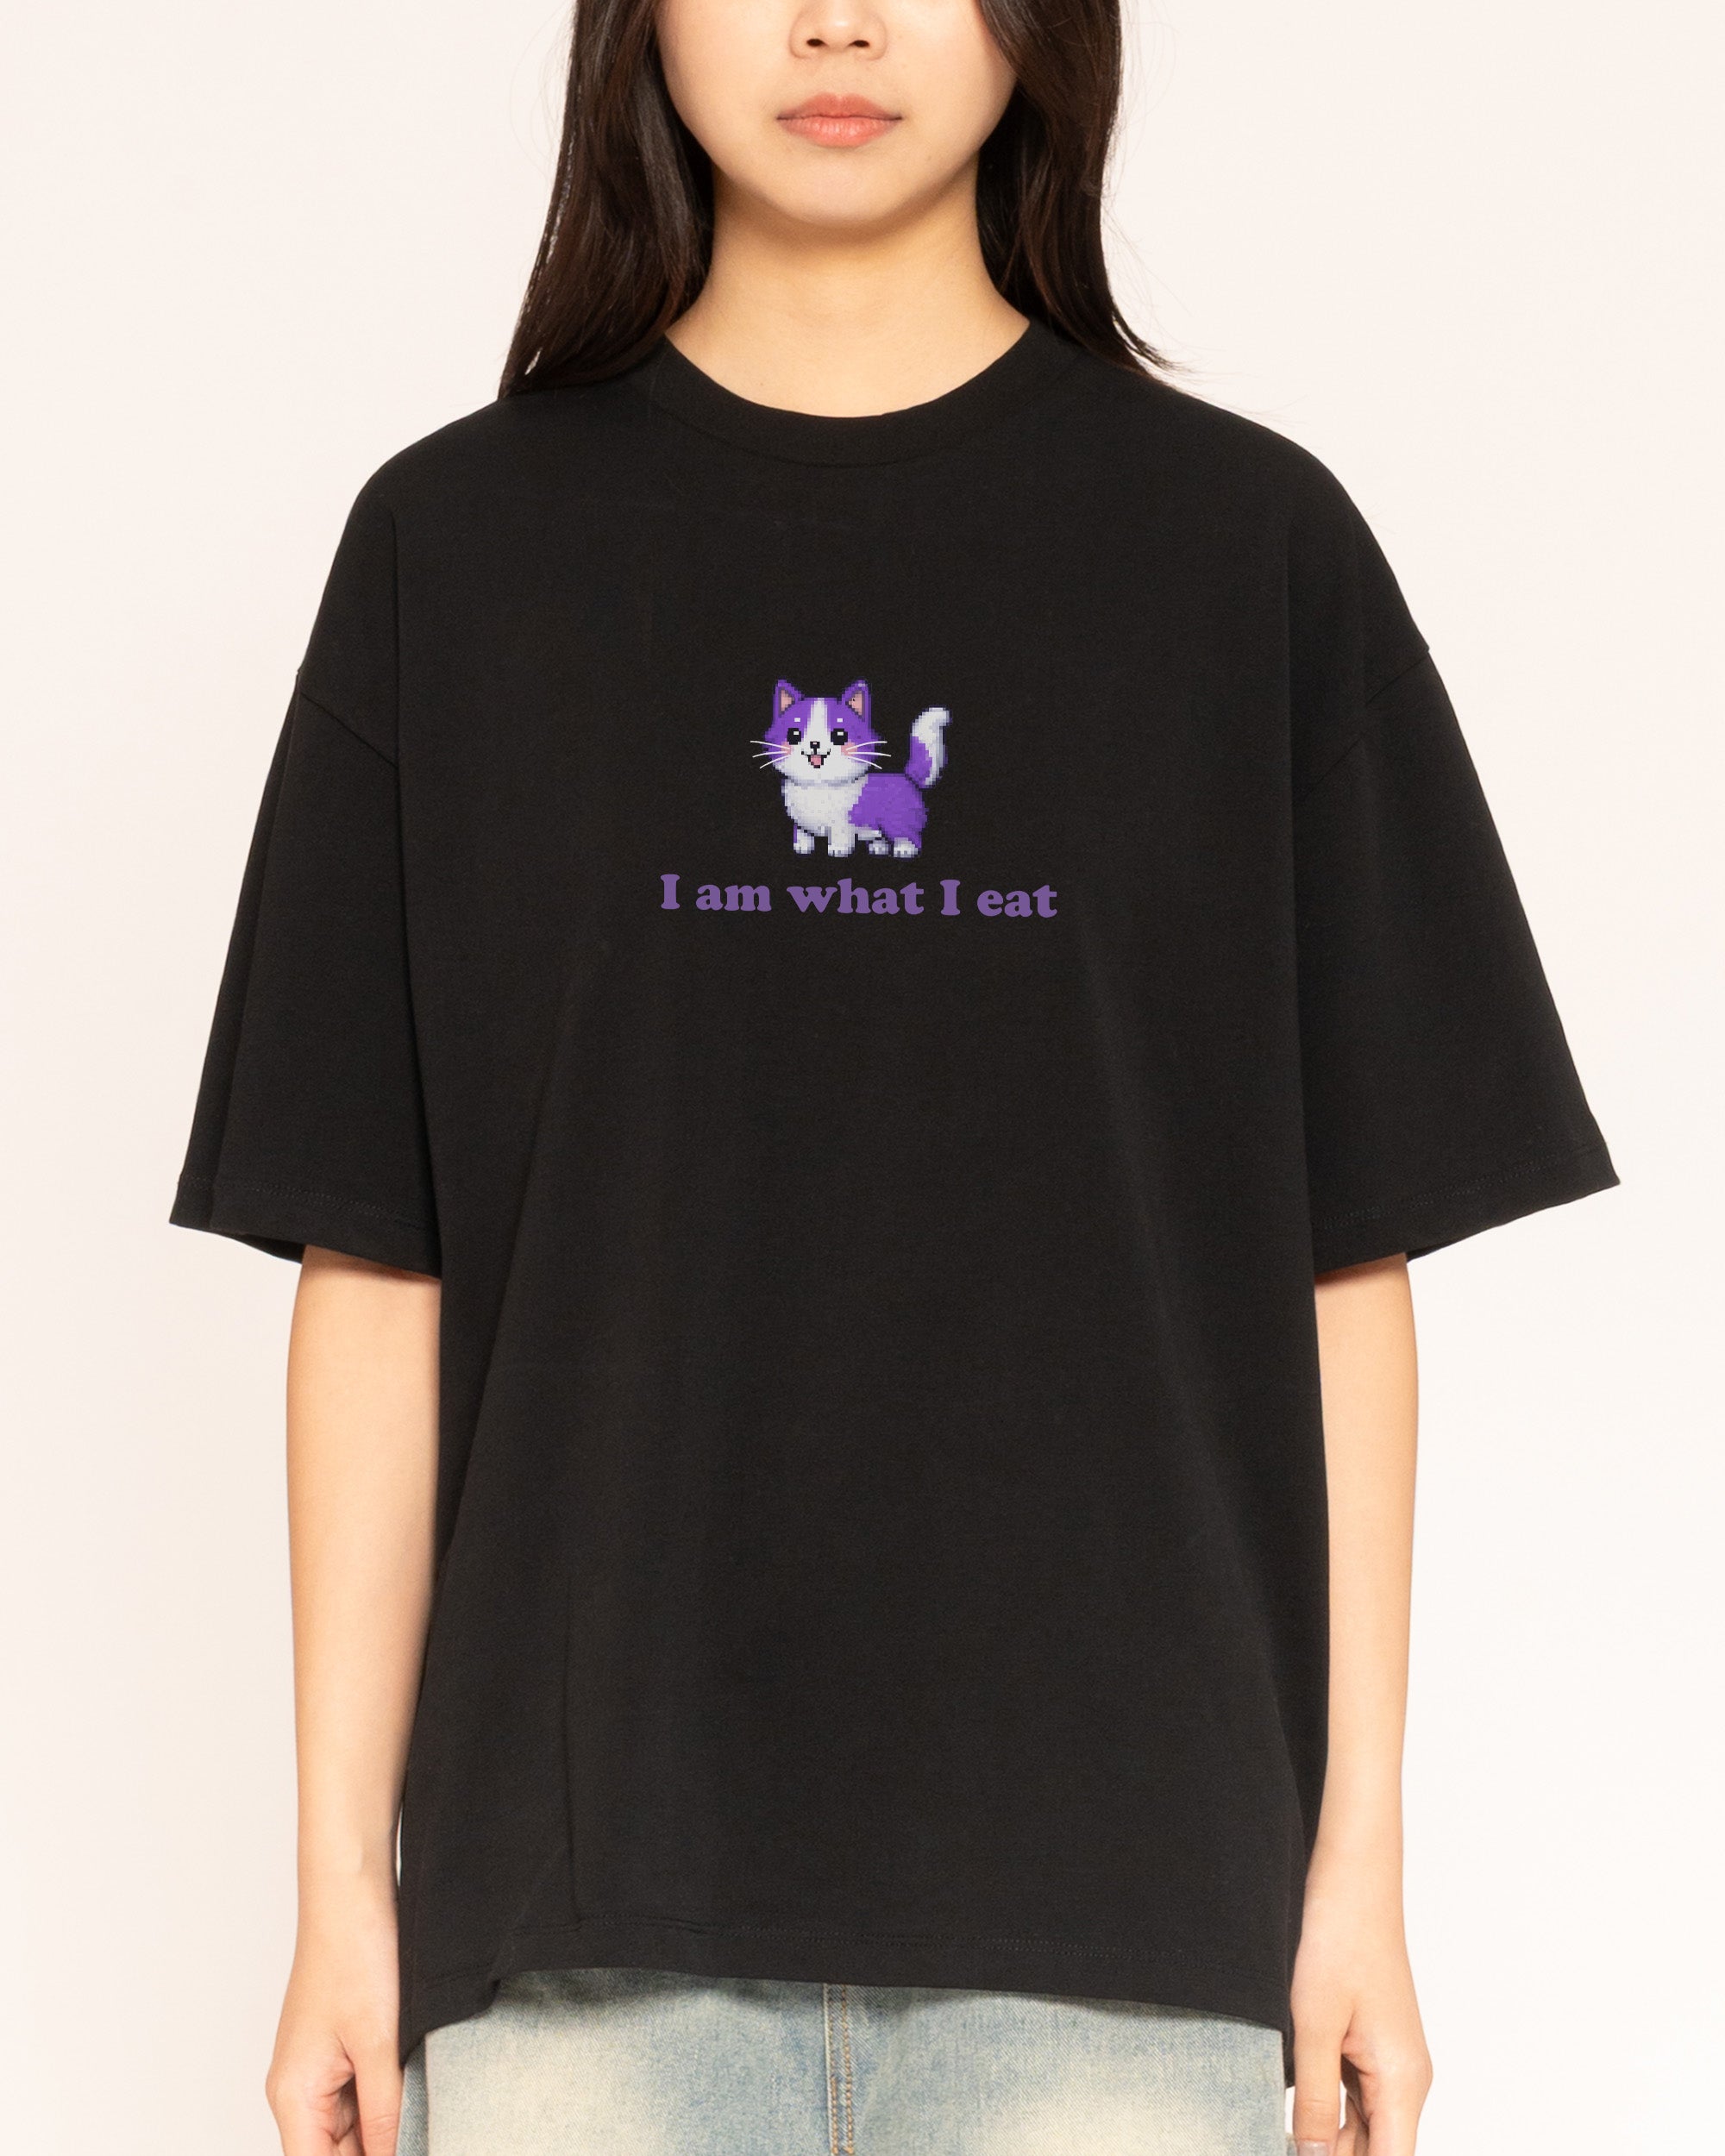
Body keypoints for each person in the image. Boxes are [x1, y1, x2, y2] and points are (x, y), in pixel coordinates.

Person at [170, 0, 1617, 2147]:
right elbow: (377, 1267)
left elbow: (1341, 1269)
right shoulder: (453, 554)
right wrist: (334, 1895)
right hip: (574, 1944)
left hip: (1126, 1931)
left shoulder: (1247, 553)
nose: (837, 18)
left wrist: (1357, 1876)